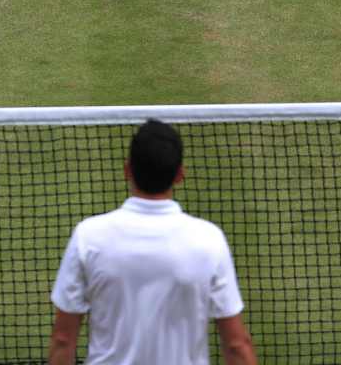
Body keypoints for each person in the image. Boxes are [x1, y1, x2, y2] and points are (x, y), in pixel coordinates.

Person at [48, 119, 257, 365]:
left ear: (128, 170)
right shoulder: (208, 240)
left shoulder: (88, 237)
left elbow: (63, 339)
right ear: (180, 175)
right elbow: (236, 345)